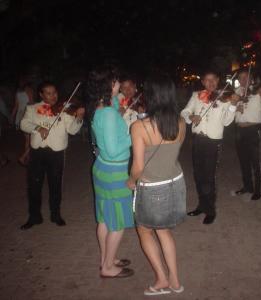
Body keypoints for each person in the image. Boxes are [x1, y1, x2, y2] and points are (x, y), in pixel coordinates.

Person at [126, 74, 186, 295]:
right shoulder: (180, 122)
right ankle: (175, 281)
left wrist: (131, 182)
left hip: (152, 188)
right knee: (164, 231)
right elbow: (172, 153)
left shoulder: (139, 126)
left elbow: (138, 166)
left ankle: (162, 279)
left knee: (144, 231)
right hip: (176, 182)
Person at [88, 67, 135, 279]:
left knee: (105, 219)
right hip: (114, 171)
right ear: (109, 86)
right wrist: (134, 133)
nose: (119, 85)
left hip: (104, 168)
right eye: (116, 82)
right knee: (116, 221)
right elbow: (114, 148)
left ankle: (106, 259)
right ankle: (107, 268)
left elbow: (115, 106)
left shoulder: (102, 106)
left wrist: (116, 99)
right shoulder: (107, 114)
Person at [19, 82, 85, 230]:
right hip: (37, 152)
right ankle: (34, 216)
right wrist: (37, 127)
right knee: (34, 186)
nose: (53, 96)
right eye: (48, 93)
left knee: (55, 185)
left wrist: (78, 118)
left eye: (54, 92)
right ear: (41, 95)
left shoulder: (65, 110)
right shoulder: (32, 108)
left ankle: (56, 214)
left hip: (56, 153)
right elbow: (23, 124)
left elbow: (73, 130)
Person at [181, 70, 240, 224]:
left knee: (209, 176)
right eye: (207, 80)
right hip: (197, 140)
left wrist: (233, 104)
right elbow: (185, 112)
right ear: (203, 82)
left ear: (218, 80)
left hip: (213, 142)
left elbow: (227, 122)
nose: (211, 83)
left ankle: (210, 210)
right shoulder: (196, 95)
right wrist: (191, 117)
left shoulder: (225, 98)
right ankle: (202, 205)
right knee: (198, 175)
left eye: (213, 79)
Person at [233, 68, 261, 200]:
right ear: (238, 80)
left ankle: (258, 190)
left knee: (256, 161)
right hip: (239, 130)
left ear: (251, 78)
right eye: (241, 78)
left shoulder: (259, 90)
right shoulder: (236, 92)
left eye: (246, 77)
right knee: (243, 161)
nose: (243, 80)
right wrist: (235, 108)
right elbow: (230, 114)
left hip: (254, 130)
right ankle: (247, 186)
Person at [12, 82, 34, 166]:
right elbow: (31, 103)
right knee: (33, 140)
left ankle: (27, 158)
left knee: (27, 140)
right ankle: (23, 157)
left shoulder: (17, 93)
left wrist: (12, 117)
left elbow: (16, 106)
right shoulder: (29, 90)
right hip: (27, 117)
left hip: (19, 117)